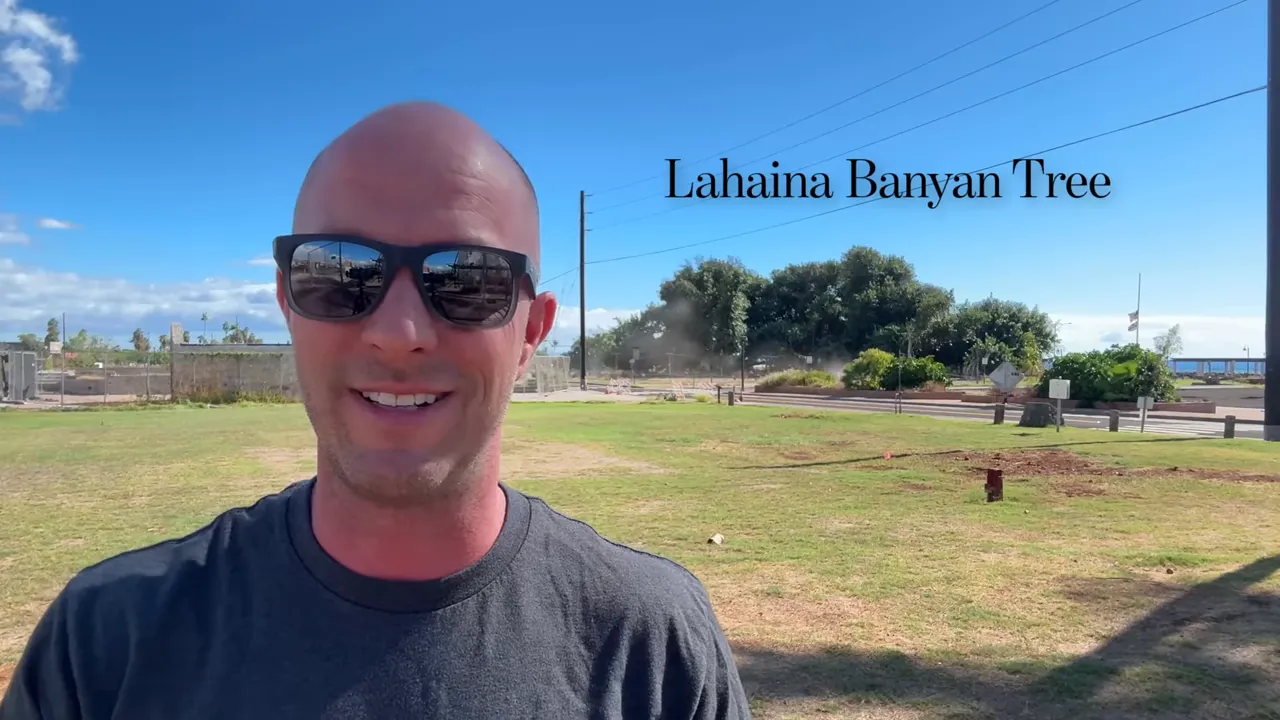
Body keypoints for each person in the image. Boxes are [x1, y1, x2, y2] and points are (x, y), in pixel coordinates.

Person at [0, 102, 750, 719]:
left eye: (467, 280)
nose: (399, 332)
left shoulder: (652, 648)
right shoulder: (106, 644)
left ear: (531, 332)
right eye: (339, 273)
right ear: (287, 303)